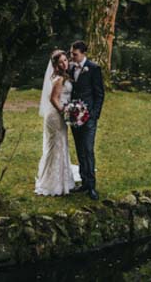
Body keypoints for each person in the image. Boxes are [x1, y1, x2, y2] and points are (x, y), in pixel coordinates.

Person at [35, 50, 80, 196]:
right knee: (56, 146)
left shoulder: (61, 76)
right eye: (61, 62)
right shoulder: (59, 79)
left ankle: (61, 180)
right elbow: (53, 98)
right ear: (55, 64)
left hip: (58, 114)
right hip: (56, 115)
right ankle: (52, 183)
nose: (65, 63)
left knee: (60, 145)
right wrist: (65, 112)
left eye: (66, 60)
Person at [68, 40, 105, 200]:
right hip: (74, 115)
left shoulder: (94, 68)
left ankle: (91, 185)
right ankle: (83, 181)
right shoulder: (70, 68)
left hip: (89, 117)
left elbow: (99, 94)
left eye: (74, 54)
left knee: (88, 149)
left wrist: (94, 114)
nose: (72, 56)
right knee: (80, 150)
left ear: (83, 53)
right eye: (71, 53)